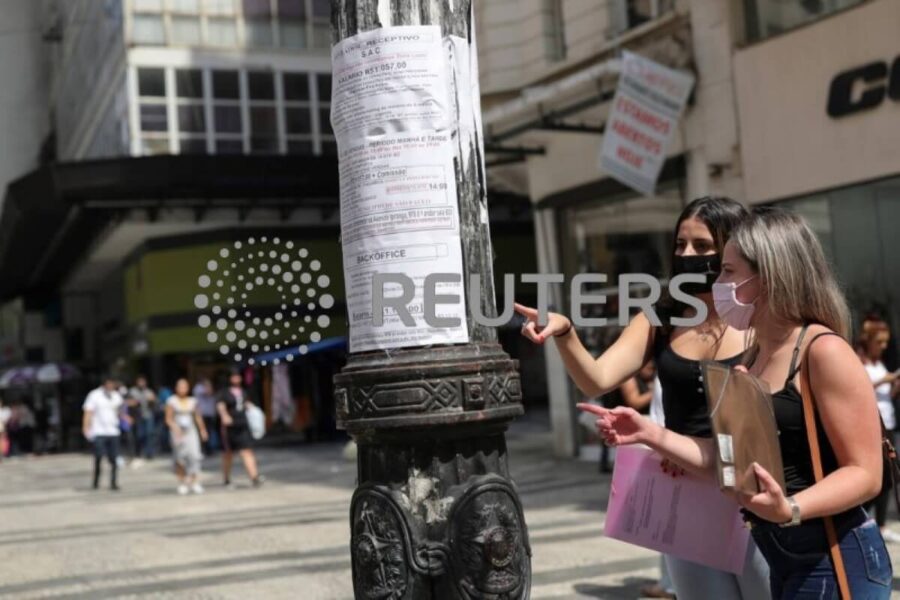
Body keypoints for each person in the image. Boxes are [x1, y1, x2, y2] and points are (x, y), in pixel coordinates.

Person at [587, 207, 892, 598]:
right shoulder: (754, 357)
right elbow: (728, 459)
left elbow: (866, 474)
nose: (719, 282)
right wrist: (649, 432)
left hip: (832, 556)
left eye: (729, 272)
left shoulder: (822, 350)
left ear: (768, 277)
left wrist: (791, 508)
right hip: (783, 555)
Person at [516, 196, 770, 599]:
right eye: (680, 244)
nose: (687, 255)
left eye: (702, 246)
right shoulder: (659, 318)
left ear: (734, 248)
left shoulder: (764, 317)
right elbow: (596, 379)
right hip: (687, 493)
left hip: (758, 493)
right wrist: (565, 333)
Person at [858, 314, 900, 543]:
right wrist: (885, 380)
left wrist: (893, 386)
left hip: (889, 422)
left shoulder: (879, 363)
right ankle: (861, 517)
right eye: (879, 342)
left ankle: (880, 524)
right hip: (873, 425)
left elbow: (885, 393)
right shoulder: (859, 362)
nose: (883, 346)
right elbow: (861, 387)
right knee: (882, 477)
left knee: (891, 477)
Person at [217, 370, 264, 488]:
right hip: (229, 427)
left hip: (242, 424)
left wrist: (255, 412)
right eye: (234, 376)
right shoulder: (224, 392)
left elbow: (246, 404)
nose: (236, 378)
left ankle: (254, 476)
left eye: (238, 376)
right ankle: (226, 478)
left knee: (247, 451)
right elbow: (220, 405)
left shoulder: (243, 392)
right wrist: (224, 416)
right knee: (228, 454)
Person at [165, 378, 208, 495]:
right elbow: (168, 419)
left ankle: (195, 481)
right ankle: (182, 482)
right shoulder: (171, 401)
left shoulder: (192, 401)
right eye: (180, 386)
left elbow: (198, 417)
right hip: (177, 431)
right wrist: (175, 428)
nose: (182, 389)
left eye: (185, 386)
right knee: (180, 457)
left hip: (191, 431)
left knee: (195, 456)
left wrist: (203, 430)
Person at [82, 376, 124, 491]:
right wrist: (86, 427)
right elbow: (88, 412)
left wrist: (125, 417)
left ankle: (113, 482)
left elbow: (120, 410)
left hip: (113, 431)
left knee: (114, 459)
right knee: (99, 456)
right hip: (99, 431)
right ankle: (96, 481)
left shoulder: (116, 396)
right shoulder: (94, 395)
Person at [129, 376, 157, 460]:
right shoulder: (132, 391)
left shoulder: (149, 391)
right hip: (138, 416)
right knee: (139, 435)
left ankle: (149, 453)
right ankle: (138, 452)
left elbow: (154, 403)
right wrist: (134, 403)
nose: (141, 383)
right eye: (139, 382)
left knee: (149, 434)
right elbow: (127, 403)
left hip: (148, 415)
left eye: (143, 382)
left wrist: (152, 400)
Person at [193, 378, 218, 455]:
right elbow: (208, 392)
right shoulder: (198, 388)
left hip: (209, 414)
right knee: (203, 432)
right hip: (202, 414)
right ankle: (204, 449)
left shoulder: (206, 388)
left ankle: (209, 449)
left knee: (209, 432)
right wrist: (208, 386)